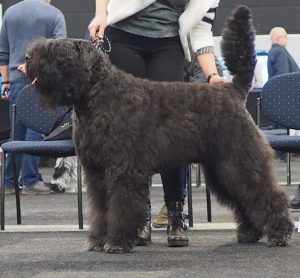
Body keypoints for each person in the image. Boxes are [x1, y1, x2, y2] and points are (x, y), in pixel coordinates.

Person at [89, 0, 225, 247]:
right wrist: (100, 15)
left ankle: (175, 214)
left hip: (169, 42)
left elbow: (201, 31)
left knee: (173, 133)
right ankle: (140, 216)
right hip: (124, 36)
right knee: (128, 139)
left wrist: (212, 75)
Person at [0, 0, 67, 195]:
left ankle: (10, 182)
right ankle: (30, 181)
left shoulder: (11, 13)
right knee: (35, 131)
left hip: (15, 79)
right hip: (42, 79)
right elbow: (59, 50)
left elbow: (2, 53)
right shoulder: (53, 14)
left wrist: (5, 82)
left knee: (16, 133)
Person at [267, 27, 300, 208]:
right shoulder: (279, 52)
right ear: (280, 37)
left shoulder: (275, 52)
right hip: (290, 103)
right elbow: (285, 76)